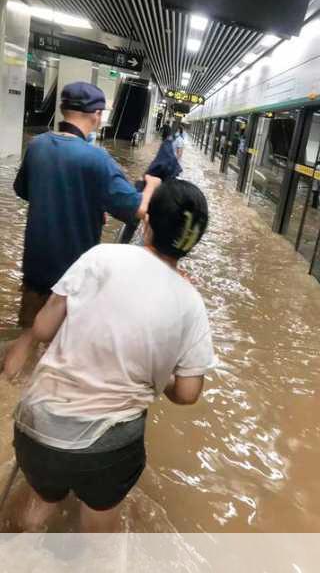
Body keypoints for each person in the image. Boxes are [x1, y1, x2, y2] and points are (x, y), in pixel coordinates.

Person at [10, 179, 214, 532]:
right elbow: (188, 393)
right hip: (108, 447)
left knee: (40, 502)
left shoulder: (101, 256)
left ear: (147, 221)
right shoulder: (191, 302)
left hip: (38, 421)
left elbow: (43, 326)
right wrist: (159, 376)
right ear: (193, 243)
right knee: (98, 529)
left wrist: (26, 344)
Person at [2, 82, 155, 378]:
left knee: (27, 339)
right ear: (97, 115)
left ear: (63, 109)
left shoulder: (37, 146)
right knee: (60, 356)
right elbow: (138, 210)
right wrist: (151, 186)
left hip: (35, 270)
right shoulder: (97, 160)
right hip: (73, 281)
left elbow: (23, 190)